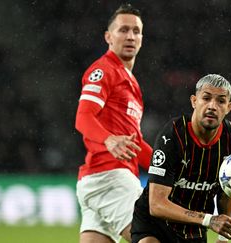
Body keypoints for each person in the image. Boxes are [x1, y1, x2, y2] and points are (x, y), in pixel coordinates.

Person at [131, 74, 231, 243]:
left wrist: (223, 237)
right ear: (194, 101)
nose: (212, 106)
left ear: (229, 107)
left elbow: (226, 192)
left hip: (193, 229)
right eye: (206, 98)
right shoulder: (172, 136)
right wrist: (209, 220)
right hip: (155, 224)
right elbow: (156, 204)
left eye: (221, 101)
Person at [74, 4, 152, 243]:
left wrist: (170, 168)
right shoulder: (103, 70)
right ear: (108, 37)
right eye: (123, 30)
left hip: (99, 179)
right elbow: (83, 117)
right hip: (111, 177)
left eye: (136, 31)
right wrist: (108, 139)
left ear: (141, 38)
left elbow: (134, 144)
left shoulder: (130, 81)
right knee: (155, 239)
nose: (130, 36)